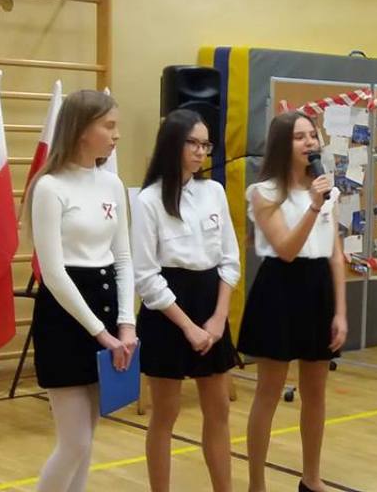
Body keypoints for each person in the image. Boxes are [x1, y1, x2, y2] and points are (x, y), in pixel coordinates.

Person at [27, 89, 136, 492]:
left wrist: (126, 323)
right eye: (109, 126)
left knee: (87, 441)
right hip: (65, 317)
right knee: (74, 442)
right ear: (81, 129)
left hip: (106, 309)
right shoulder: (49, 187)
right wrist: (101, 333)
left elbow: (123, 257)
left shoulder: (112, 184)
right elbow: (53, 273)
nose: (116, 135)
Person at [237, 111, 348, 492]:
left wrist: (340, 312)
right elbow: (285, 249)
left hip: (318, 288)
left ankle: (311, 479)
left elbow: (336, 256)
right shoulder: (264, 192)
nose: (309, 143)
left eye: (312, 135)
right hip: (280, 289)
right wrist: (314, 206)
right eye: (299, 137)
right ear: (283, 145)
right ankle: (256, 484)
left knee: (315, 393)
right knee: (269, 392)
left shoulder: (328, 193)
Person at [132, 109, 241, 492]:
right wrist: (188, 327)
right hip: (168, 313)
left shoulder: (214, 192)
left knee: (219, 408)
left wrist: (218, 317)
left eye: (205, 144)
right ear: (172, 144)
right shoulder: (148, 200)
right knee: (166, 413)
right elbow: (147, 277)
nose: (200, 151)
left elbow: (229, 259)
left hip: (211, 304)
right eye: (192, 143)